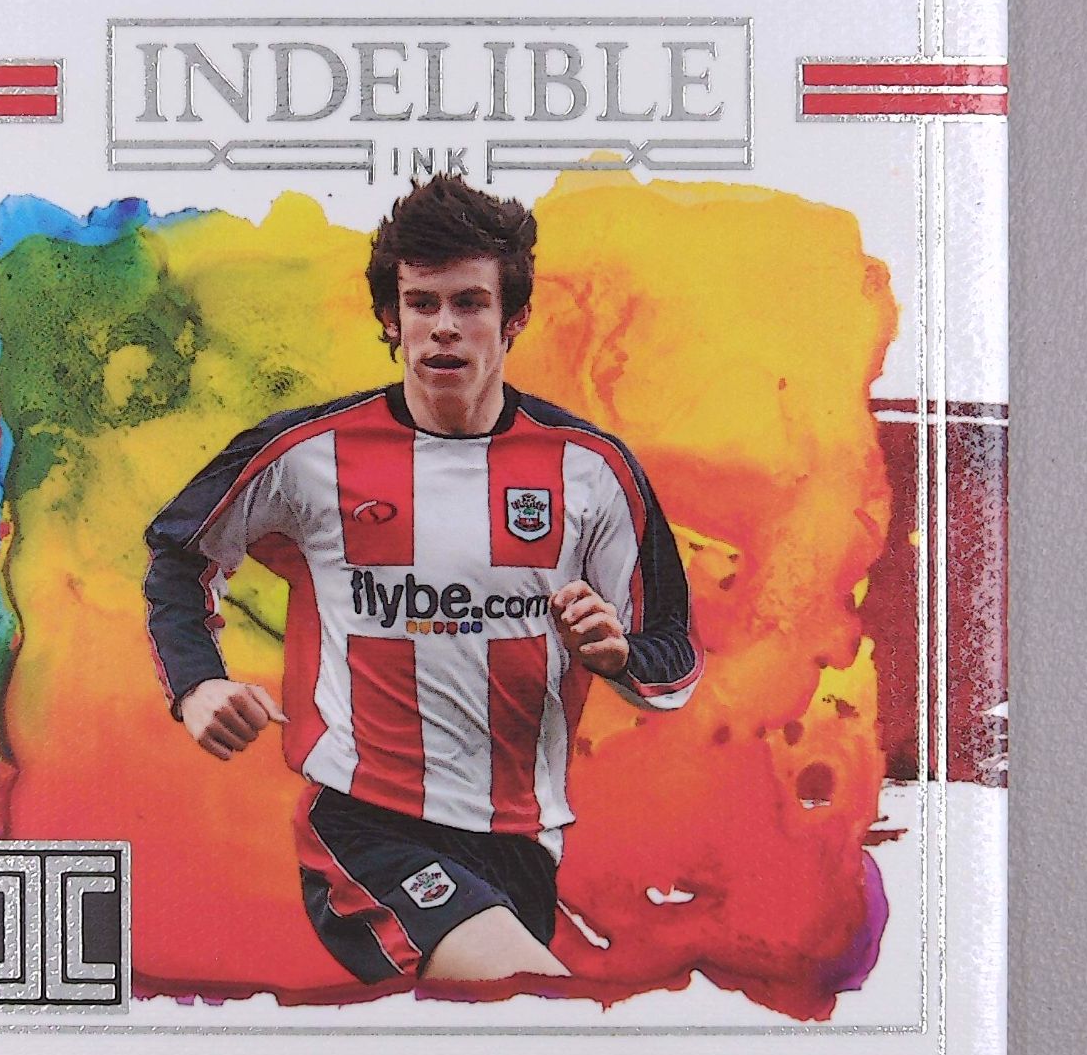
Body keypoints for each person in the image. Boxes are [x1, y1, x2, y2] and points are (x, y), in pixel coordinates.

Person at [144, 175, 701, 987]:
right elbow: (178, 556)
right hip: (364, 825)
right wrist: (197, 683)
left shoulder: (590, 469)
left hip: (522, 845)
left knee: (485, 1032)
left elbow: (673, 655)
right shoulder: (307, 453)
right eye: (420, 303)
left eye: (469, 303)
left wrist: (616, 657)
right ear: (390, 317)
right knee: (536, 1004)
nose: (443, 326)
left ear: (513, 319)